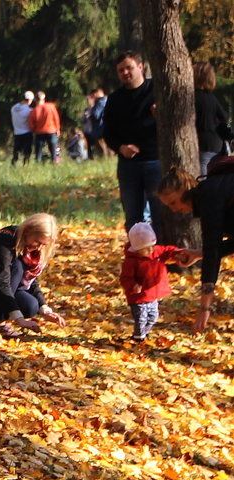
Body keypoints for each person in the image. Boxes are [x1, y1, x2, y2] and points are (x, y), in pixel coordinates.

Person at [158, 166, 234, 333]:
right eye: (169, 205)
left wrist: (205, 309)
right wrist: (198, 254)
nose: (174, 209)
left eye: (173, 202)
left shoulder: (208, 197)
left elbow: (212, 251)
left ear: (183, 188)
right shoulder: (210, 192)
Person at [103, 51, 161, 235]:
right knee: (133, 217)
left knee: (160, 215)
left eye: (129, 67)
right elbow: (108, 132)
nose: (125, 73)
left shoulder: (157, 91)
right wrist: (121, 147)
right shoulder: (115, 99)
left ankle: (161, 256)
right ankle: (137, 258)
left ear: (141, 67)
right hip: (129, 165)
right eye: (121, 70)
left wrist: (162, 117)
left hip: (156, 161)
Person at [119, 222, 182, 342]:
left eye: (152, 246)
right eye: (146, 248)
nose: (151, 250)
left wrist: (176, 253)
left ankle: (143, 333)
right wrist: (132, 286)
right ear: (137, 249)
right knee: (141, 318)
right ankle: (139, 337)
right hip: (139, 297)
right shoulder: (131, 261)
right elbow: (125, 278)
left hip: (152, 295)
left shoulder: (155, 252)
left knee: (153, 317)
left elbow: (166, 250)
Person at [193, 61, 231, 175]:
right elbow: (224, 116)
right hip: (216, 144)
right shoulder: (211, 97)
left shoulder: (193, 97)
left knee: (202, 180)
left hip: (203, 145)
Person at [28, 91, 61, 164]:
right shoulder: (51, 106)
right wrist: (57, 129)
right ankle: (54, 162)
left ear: (35, 100)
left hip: (39, 132)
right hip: (51, 130)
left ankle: (38, 164)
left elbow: (31, 123)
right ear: (44, 99)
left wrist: (34, 130)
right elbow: (56, 118)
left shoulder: (34, 111)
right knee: (53, 149)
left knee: (39, 150)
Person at [11, 90, 35, 165]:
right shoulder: (29, 111)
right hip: (26, 132)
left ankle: (14, 162)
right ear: (29, 100)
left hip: (17, 132)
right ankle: (26, 164)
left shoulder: (13, 108)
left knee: (16, 150)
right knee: (27, 151)